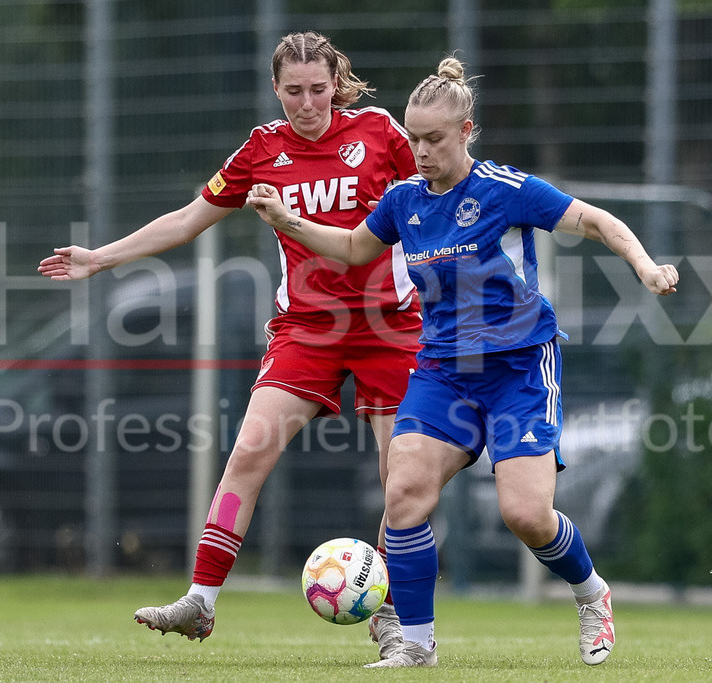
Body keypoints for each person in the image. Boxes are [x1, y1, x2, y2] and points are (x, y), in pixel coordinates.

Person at [247, 56, 679, 668]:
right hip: (444, 369)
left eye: (433, 139)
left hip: (519, 368)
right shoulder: (403, 201)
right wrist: (288, 220)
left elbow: (595, 220)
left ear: (466, 132)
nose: (418, 150)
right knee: (404, 494)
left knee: (525, 515)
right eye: (412, 137)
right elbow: (350, 248)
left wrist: (646, 267)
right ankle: (417, 646)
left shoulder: (506, 191)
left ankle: (590, 592)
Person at [37, 31, 420, 659]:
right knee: (248, 449)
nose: (306, 104)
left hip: (392, 326)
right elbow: (188, 220)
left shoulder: (379, 133)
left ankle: (393, 619)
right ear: (276, 88)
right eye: (293, 91)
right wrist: (101, 258)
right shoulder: (262, 150)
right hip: (307, 329)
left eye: (318, 90)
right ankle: (201, 601)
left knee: (399, 478)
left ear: (336, 83)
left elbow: (435, 196)